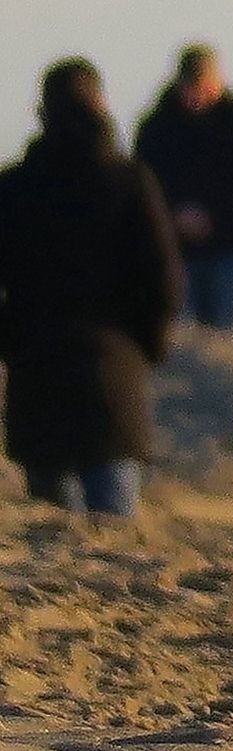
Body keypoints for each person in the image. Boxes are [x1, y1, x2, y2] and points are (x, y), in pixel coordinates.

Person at [0, 60, 183, 516]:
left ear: (41, 111)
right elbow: (164, 280)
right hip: (113, 371)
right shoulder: (129, 181)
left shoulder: (15, 187)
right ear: (101, 105)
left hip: (37, 374)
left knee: (50, 535)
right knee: (115, 534)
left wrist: (11, 342)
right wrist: (146, 346)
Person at [135, 45, 233, 328]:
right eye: (191, 87)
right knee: (182, 331)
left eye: (204, 86)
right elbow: (144, 183)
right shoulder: (156, 127)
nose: (197, 95)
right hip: (176, 249)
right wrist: (175, 214)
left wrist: (215, 215)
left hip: (231, 245)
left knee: (230, 330)